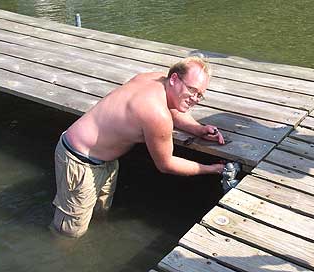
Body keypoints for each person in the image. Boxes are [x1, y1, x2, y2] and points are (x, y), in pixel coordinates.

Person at [51, 56, 225, 238]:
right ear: (174, 79)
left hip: (105, 160)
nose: (195, 99)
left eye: (200, 95)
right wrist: (212, 169)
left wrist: (197, 129)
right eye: (192, 90)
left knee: (100, 213)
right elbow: (166, 164)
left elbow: (173, 107)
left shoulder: (155, 79)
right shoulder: (157, 115)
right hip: (79, 161)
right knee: (69, 232)